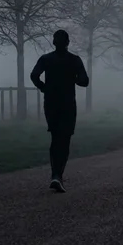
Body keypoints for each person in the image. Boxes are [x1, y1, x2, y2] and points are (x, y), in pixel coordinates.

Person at [30, 29, 90, 193]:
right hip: (68, 104)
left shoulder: (46, 59)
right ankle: (58, 175)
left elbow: (34, 75)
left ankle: (55, 174)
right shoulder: (74, 60)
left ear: (54, 42)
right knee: (65, 139)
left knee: (55, 136)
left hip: (51, 103)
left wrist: (44, 88)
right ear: (68, 42)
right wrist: (73, 78)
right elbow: (85, 82)